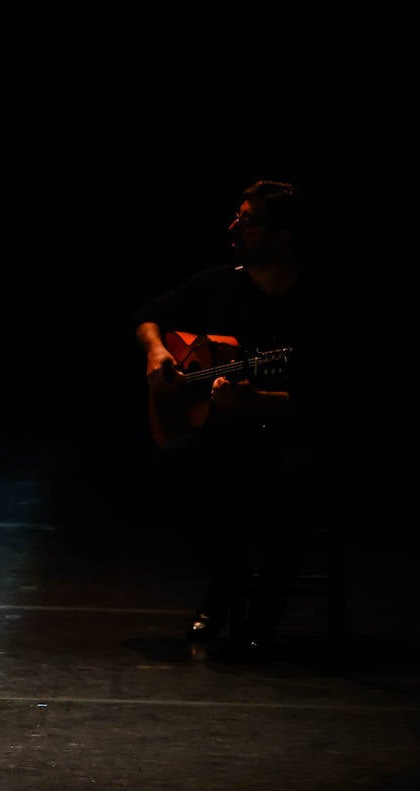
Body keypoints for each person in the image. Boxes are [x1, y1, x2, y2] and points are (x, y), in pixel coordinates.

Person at [133, 179, 337, 660]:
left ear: (283, 234)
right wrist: (157, 351)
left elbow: (327, 401)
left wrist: (260, 401)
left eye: (247, 220)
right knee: (171, 466)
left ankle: (264, 610)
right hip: (228, 432)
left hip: (292, 434)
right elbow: (149, 314)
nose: (233, 227)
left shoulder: (319, 302)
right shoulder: (220, 283)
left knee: (296, 480)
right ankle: (227, 580)